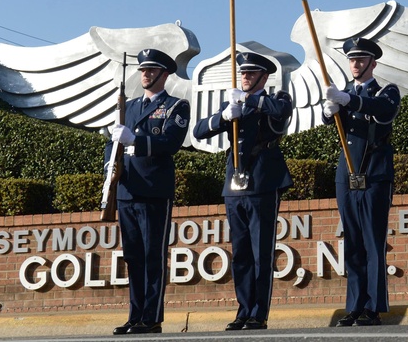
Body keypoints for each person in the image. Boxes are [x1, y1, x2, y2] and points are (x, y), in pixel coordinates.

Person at [193, 51, 292, 331]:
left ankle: (259, 312)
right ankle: (243, 309)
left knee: (261, 251)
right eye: (243, 73)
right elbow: (199, 132)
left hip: (262, 179)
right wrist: (223, 116)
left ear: (264, 77)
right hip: (235, 182)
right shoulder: (233, 103)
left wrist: (250, 100)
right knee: (241, 253)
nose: (245, 77)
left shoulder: (276, 99)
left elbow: (280, 113)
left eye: (251, 73)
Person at [108, 48, 189, 336]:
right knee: (132, 256)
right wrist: (110, 167)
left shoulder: (176, 106)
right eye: (143, 69)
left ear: (164, 74)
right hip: (127, 190)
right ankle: (135, 315)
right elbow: (113, 143)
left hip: (155, 189)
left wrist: (137, 140)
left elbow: (170, 143)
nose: (146, 73)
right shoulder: (128, 107)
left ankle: (151, 317)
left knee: (153, 255)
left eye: (152, 70)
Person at [325, 37, 400, 327]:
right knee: (353, 242)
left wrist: (348, 101)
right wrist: (329, 111)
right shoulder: (342, 93)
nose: (355, 64)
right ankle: (355, 304)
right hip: (348, 172)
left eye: (360, 59)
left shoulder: (385, 90)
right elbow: (335, 121)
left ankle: (374, 306)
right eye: (352, 59)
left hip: (374, 171)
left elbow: (383, 110)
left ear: (372, 62)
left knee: (372, 240)